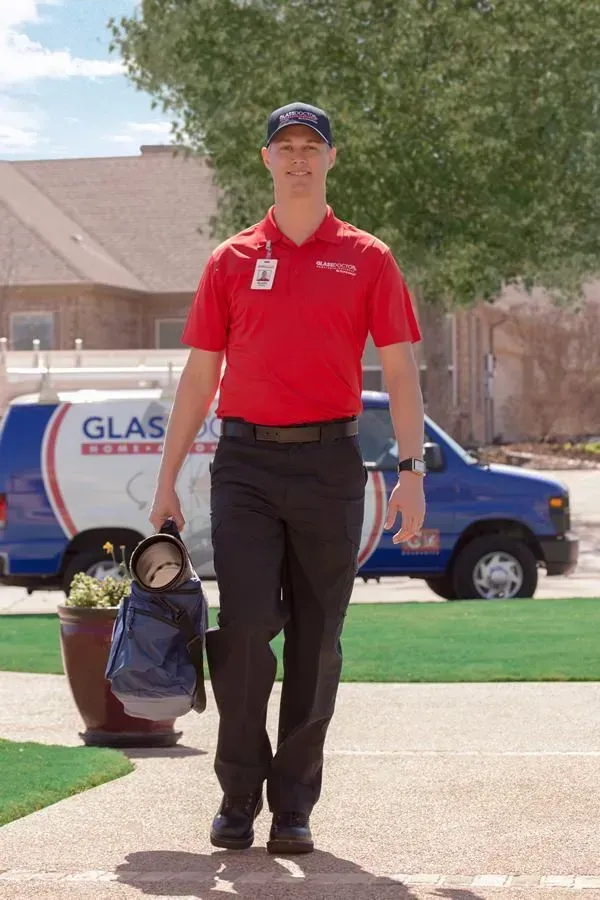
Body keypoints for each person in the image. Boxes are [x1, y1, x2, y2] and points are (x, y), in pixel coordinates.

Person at [149, 101, 426, 855]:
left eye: (312, 145)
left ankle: (294, 804)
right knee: (243, 630)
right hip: (243, 464)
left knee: (317, 639)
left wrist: (411, 470)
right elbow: (200, 373)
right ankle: (238, 793)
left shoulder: (369, 256)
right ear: (266, 159)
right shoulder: (231, 259)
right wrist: (167, 476)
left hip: (332, 464)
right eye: (286, 146)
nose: (299, 156)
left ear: (331, 159)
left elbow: (399, 368)